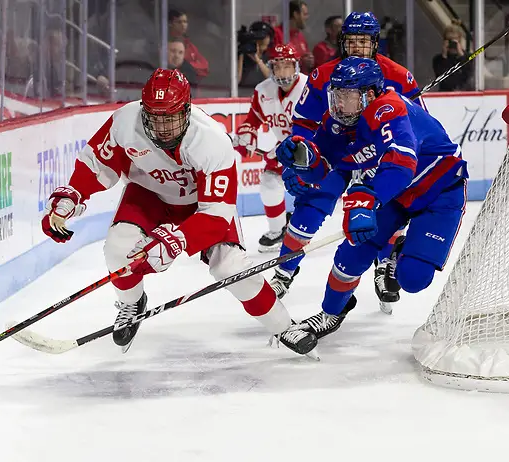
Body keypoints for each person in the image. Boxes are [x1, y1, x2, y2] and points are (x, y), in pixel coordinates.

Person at [41, 68, 317, 356]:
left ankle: (284, 326)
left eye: (170, 117)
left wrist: (179, 240)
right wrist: (72, 195)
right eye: (155, 117)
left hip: (201, 207)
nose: (162, 127)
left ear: (186, 110)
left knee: (230, 267)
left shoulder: (211, 141)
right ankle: (132, 303)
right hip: (149, 194)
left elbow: (216, 213)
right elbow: (97, 163)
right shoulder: (126, 121)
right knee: (117, 247)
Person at [276, 57, 467, 340]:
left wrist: (370, 198)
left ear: (369, 94)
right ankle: (331, 313)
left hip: (439, 192)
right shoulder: (338, 121)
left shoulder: (389, 109)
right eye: (336, 95)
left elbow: (402, 165)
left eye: (346, 96)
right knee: (353, 252)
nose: (339, 104)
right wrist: (303, 163)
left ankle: (398, 250)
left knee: (412, 279)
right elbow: (325, 166)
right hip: (395, 196)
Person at [270, 11, 424, 313]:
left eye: (363, 42)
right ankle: (284, 272)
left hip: (377, 158)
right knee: (310, 207)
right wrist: (301, 154)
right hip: (338, 151)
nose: (356, 47)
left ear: (375, 43)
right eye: (351, 41)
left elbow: (417, 125)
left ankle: (383, 268)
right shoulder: (324, 75)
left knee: (383, 211)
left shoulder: (399, 76)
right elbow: (304, 122)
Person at [233, 43, 306, 252]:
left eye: (287, 66)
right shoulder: (263, 91)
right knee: (269, 181)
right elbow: (252, 120)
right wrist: (246, 136)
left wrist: (286, 147)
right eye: (278, 66)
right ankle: (279, 230)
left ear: (296, 66)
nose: (282, 72)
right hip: (284, 148)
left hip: (315, 148)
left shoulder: (309, 88)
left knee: (311, 190)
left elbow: (316, 127)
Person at [273, 1, 313, 74]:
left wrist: (309, 60)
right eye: (305, 14)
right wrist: (301, 60)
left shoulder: (300, 35)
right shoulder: (277, 33)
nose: (307, 18)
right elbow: (275, 61)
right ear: (296, 14)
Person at [168, 9, 209, 80]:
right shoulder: (164, 42)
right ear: (170, 23)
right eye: (179, 22)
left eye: (185, 22)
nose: (183, 25)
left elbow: (204, 67)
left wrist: (189, 66)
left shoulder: (189, 45)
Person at [432, 21, 472, 92]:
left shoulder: (468, 57)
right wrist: (444, 56)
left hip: (464, 94)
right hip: (445, 94)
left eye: (454, 40)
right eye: (449, 41)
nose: (452, 44)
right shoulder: (438, 60)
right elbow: (441, 78)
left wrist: (461, 56)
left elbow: (468, 76)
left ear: (459, 41)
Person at [237, 21, 273, 89]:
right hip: (243, 94)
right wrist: (241, 54)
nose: (265, 40)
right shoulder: (243, 55)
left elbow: (272, 79)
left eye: (268, 37)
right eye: (262, 37)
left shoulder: (268, 57)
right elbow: (236, 80)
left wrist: (258, 60)